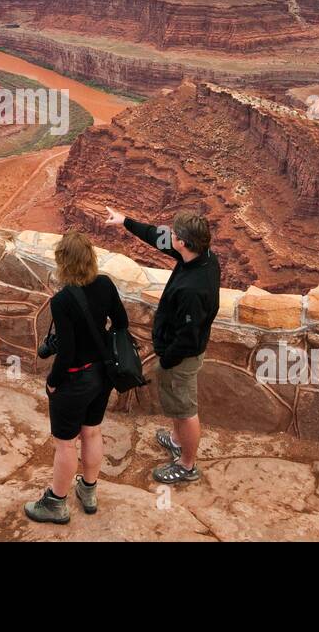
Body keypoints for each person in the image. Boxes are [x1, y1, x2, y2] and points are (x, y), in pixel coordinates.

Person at [103, 206, 219, 484]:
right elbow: (157, 237)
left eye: (174, 234)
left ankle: (187, 465)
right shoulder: (203, 256)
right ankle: (177, 440)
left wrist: (166, 359)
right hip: (180, 355)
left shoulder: (193, 289)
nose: (170, 236)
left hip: (181, 359)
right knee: (178, 407)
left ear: (183, 242)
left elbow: (188, 337)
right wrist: (125, 221)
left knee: (185, 410)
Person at [24, 231, 130, 524]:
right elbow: (121, 322)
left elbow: (67, 353)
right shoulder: (106, 284)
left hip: (75, 379)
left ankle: (56, 503)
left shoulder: (62, 301)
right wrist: (98, 336)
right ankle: (89, 491)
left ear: (64, 263)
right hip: (103, 374)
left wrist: (53, 382)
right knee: (92, 432)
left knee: (66, 443)